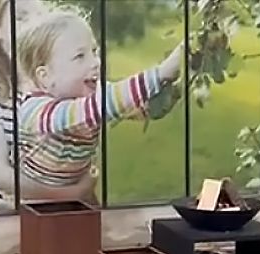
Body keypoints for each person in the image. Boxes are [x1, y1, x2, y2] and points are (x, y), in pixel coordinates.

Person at [14, 10, 182, 203]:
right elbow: (97, 107)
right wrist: (161, 73)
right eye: (80, 56)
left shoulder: (94, 97)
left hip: (73, 201)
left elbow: (136, 107)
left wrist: (174, 89)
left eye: (94, 52)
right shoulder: (36, 111)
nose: (95, 62)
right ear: (46, 76)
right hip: (30, 205)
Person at [0, 0, 98, 211]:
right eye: (21, 18)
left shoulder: (64, 79)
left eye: (40, 16)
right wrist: (71, 193)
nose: (34, 24)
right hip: (13, 210)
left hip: (73, 208)